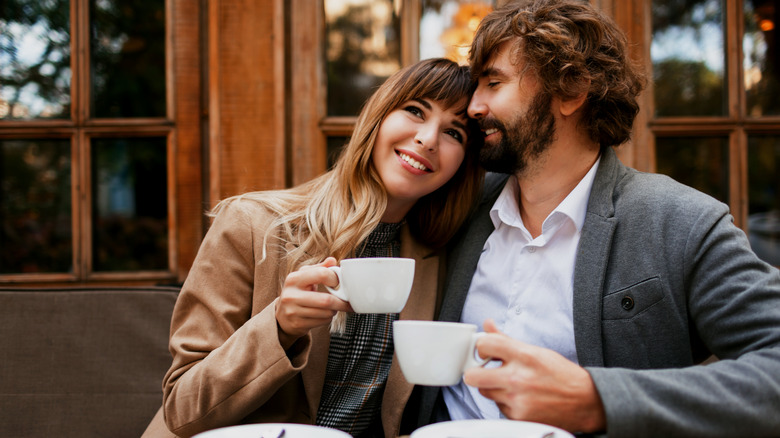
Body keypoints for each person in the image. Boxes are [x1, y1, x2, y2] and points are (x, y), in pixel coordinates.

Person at [416, 1, 780, 437]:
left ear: (571, 91)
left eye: (494, 82)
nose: (473, 106)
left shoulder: (680, 221)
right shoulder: (453, 205)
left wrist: (598, 398)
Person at [141, 58, 484, 438]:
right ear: (378, 117)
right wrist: (278, 328)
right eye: (415, 111)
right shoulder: (252, 225)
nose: (428, 139)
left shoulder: (441, 256)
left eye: (455, 133)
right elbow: (183, 408)